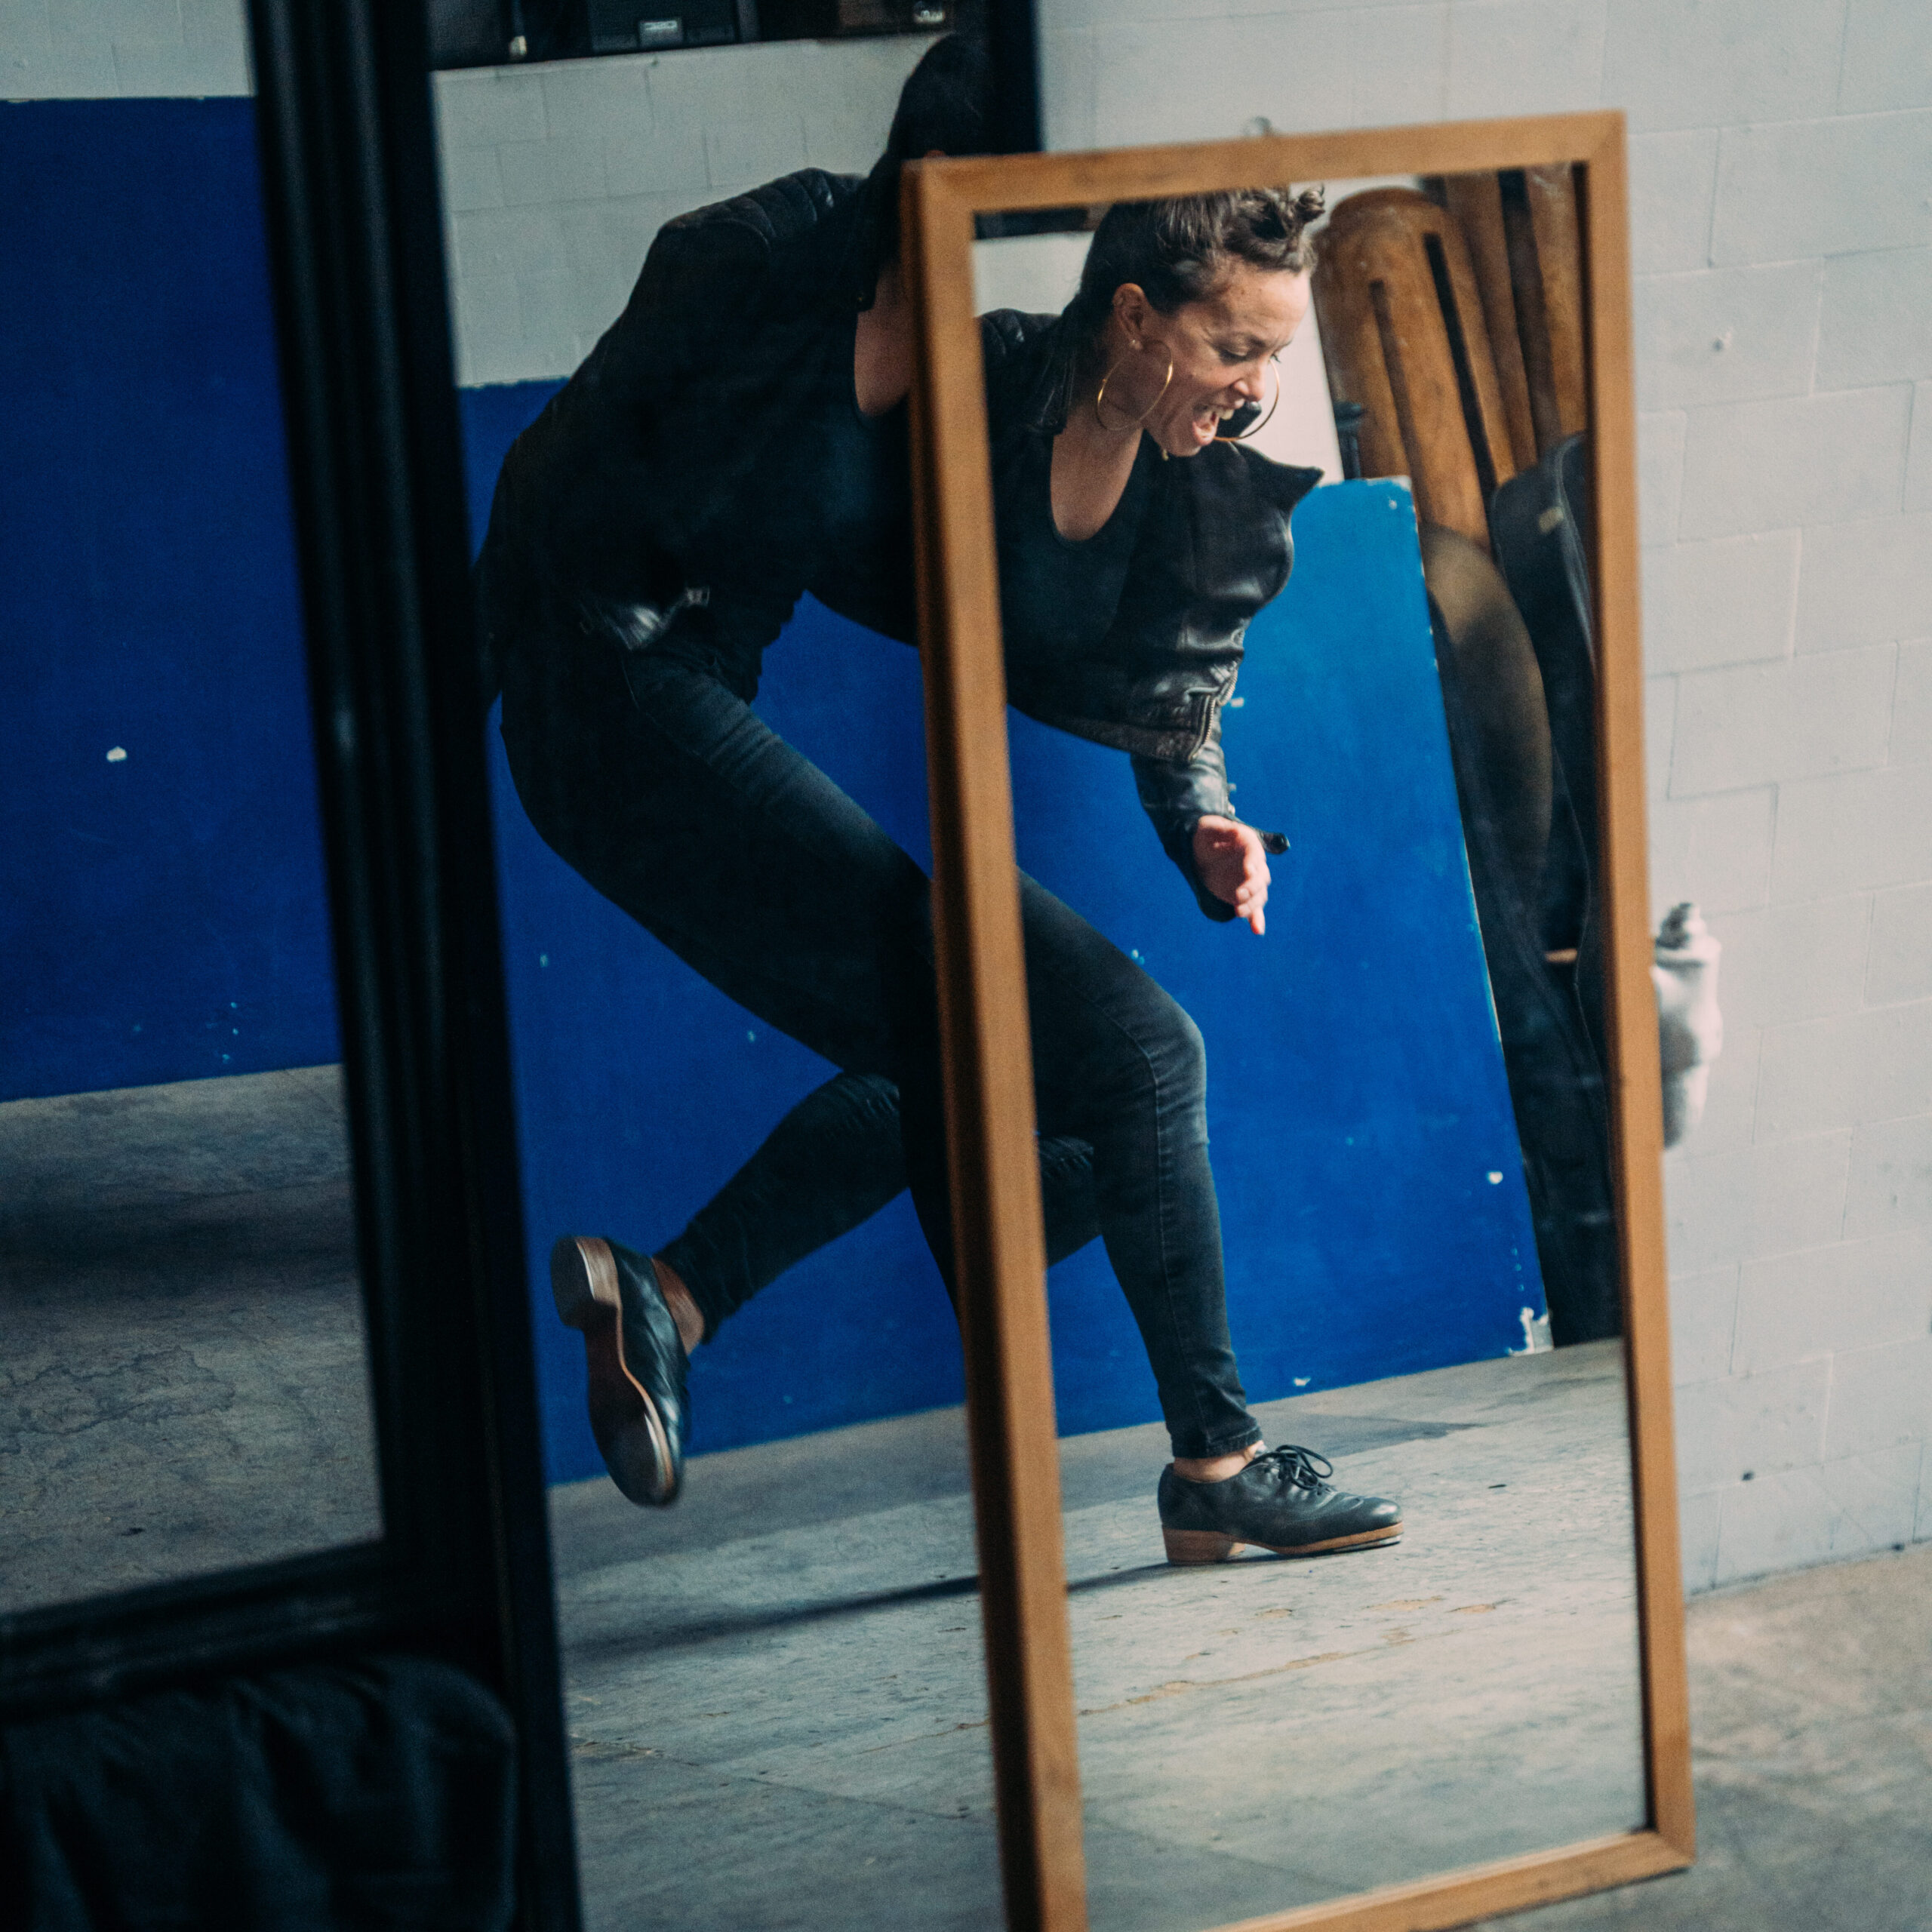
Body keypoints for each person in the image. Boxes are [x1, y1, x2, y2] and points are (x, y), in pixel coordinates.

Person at [479, 45, 1402, 1561]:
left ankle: (674, 1292)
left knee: (1024, 1085)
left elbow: (1172, 688)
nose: (1255, 383)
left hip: (694, 690)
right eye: (1232, 343)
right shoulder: (838, 303)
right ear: (1132, 314)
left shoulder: (1141, 460)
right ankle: (1217, 1463)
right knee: (1130, 1049)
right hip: (609, 698)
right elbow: (555, 480)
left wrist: (1201, 826)